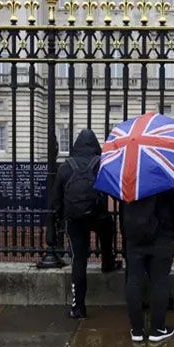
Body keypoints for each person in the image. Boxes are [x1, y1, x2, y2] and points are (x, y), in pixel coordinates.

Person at [52, 129, 122, 319]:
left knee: (79, 260)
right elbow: (115, 190)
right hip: (97, 215)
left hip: (74, 219)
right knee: (108, 229)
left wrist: (61, 218)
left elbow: (56, 199)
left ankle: (78, 307)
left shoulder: (65, 166)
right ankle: (107, 261)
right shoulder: (101, 164)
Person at [121, 179, 174, 343]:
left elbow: (123, 206)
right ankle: (157, 329)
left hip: (135, 233)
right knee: (160, 281)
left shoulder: (130, 172)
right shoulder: (170, 173)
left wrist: (126, 232)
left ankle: (136, 329)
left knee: (134, 280)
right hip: (163, 234)